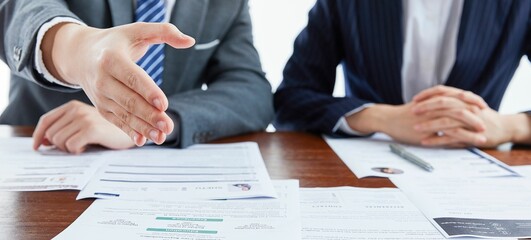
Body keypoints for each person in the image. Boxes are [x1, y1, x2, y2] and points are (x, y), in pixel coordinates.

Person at [0, 0, 273, 153]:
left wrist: (151, 124)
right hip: (47, 152)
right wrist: (79, 50)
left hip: (160, 175)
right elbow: (21, 10)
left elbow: (251, 91)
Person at [274, 0, 531, 148]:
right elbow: (289, 101)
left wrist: (511, 126)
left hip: (480, 170)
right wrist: (379, 117)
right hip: (369, 166)